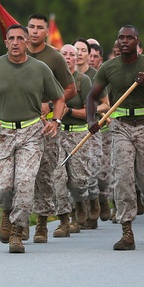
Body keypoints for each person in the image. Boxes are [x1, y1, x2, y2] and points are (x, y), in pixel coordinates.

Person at [0, 24, 65, 253]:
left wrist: (56, 121)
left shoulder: (40, 68)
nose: (15, 42)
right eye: (10, 38)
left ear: (26, 42)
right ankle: (6, 212)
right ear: (6, 42)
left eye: (19, 38)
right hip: (1, 132)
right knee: (3, 186)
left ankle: (17, 232)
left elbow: (60, 97)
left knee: (25, 184)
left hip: (31, 132)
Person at [86, 25, 144, 250]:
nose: (125, 41)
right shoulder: (108, 67)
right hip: (121, 126)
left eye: (129, 38)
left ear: (137, 41)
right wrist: (90, 120)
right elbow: (92, 96)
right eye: (121, 38)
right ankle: (126, 230)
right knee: (122, 177)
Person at [24, 14, 77, 244]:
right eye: (31, 27)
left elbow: (70, 89)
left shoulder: (54, 58)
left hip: (45, 125)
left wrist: (52, 103)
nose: (34, 31)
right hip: (20, 122)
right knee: (22, 176)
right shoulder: (17, 53)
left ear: (47, 32)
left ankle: (42, 223)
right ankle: (17, 220)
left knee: (45, 174)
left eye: (39, 28)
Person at [56, 43, 98, 233]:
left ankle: (81, 203)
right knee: (58, 177)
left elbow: (91, 111)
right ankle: (65, 219)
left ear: (76, 58)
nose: (67, 57)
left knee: (78, 180)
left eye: (71, 54)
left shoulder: (83, 80)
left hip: (78, 132)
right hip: (57, 133)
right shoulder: (53, 79)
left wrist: (69, 110)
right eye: (63, 54)